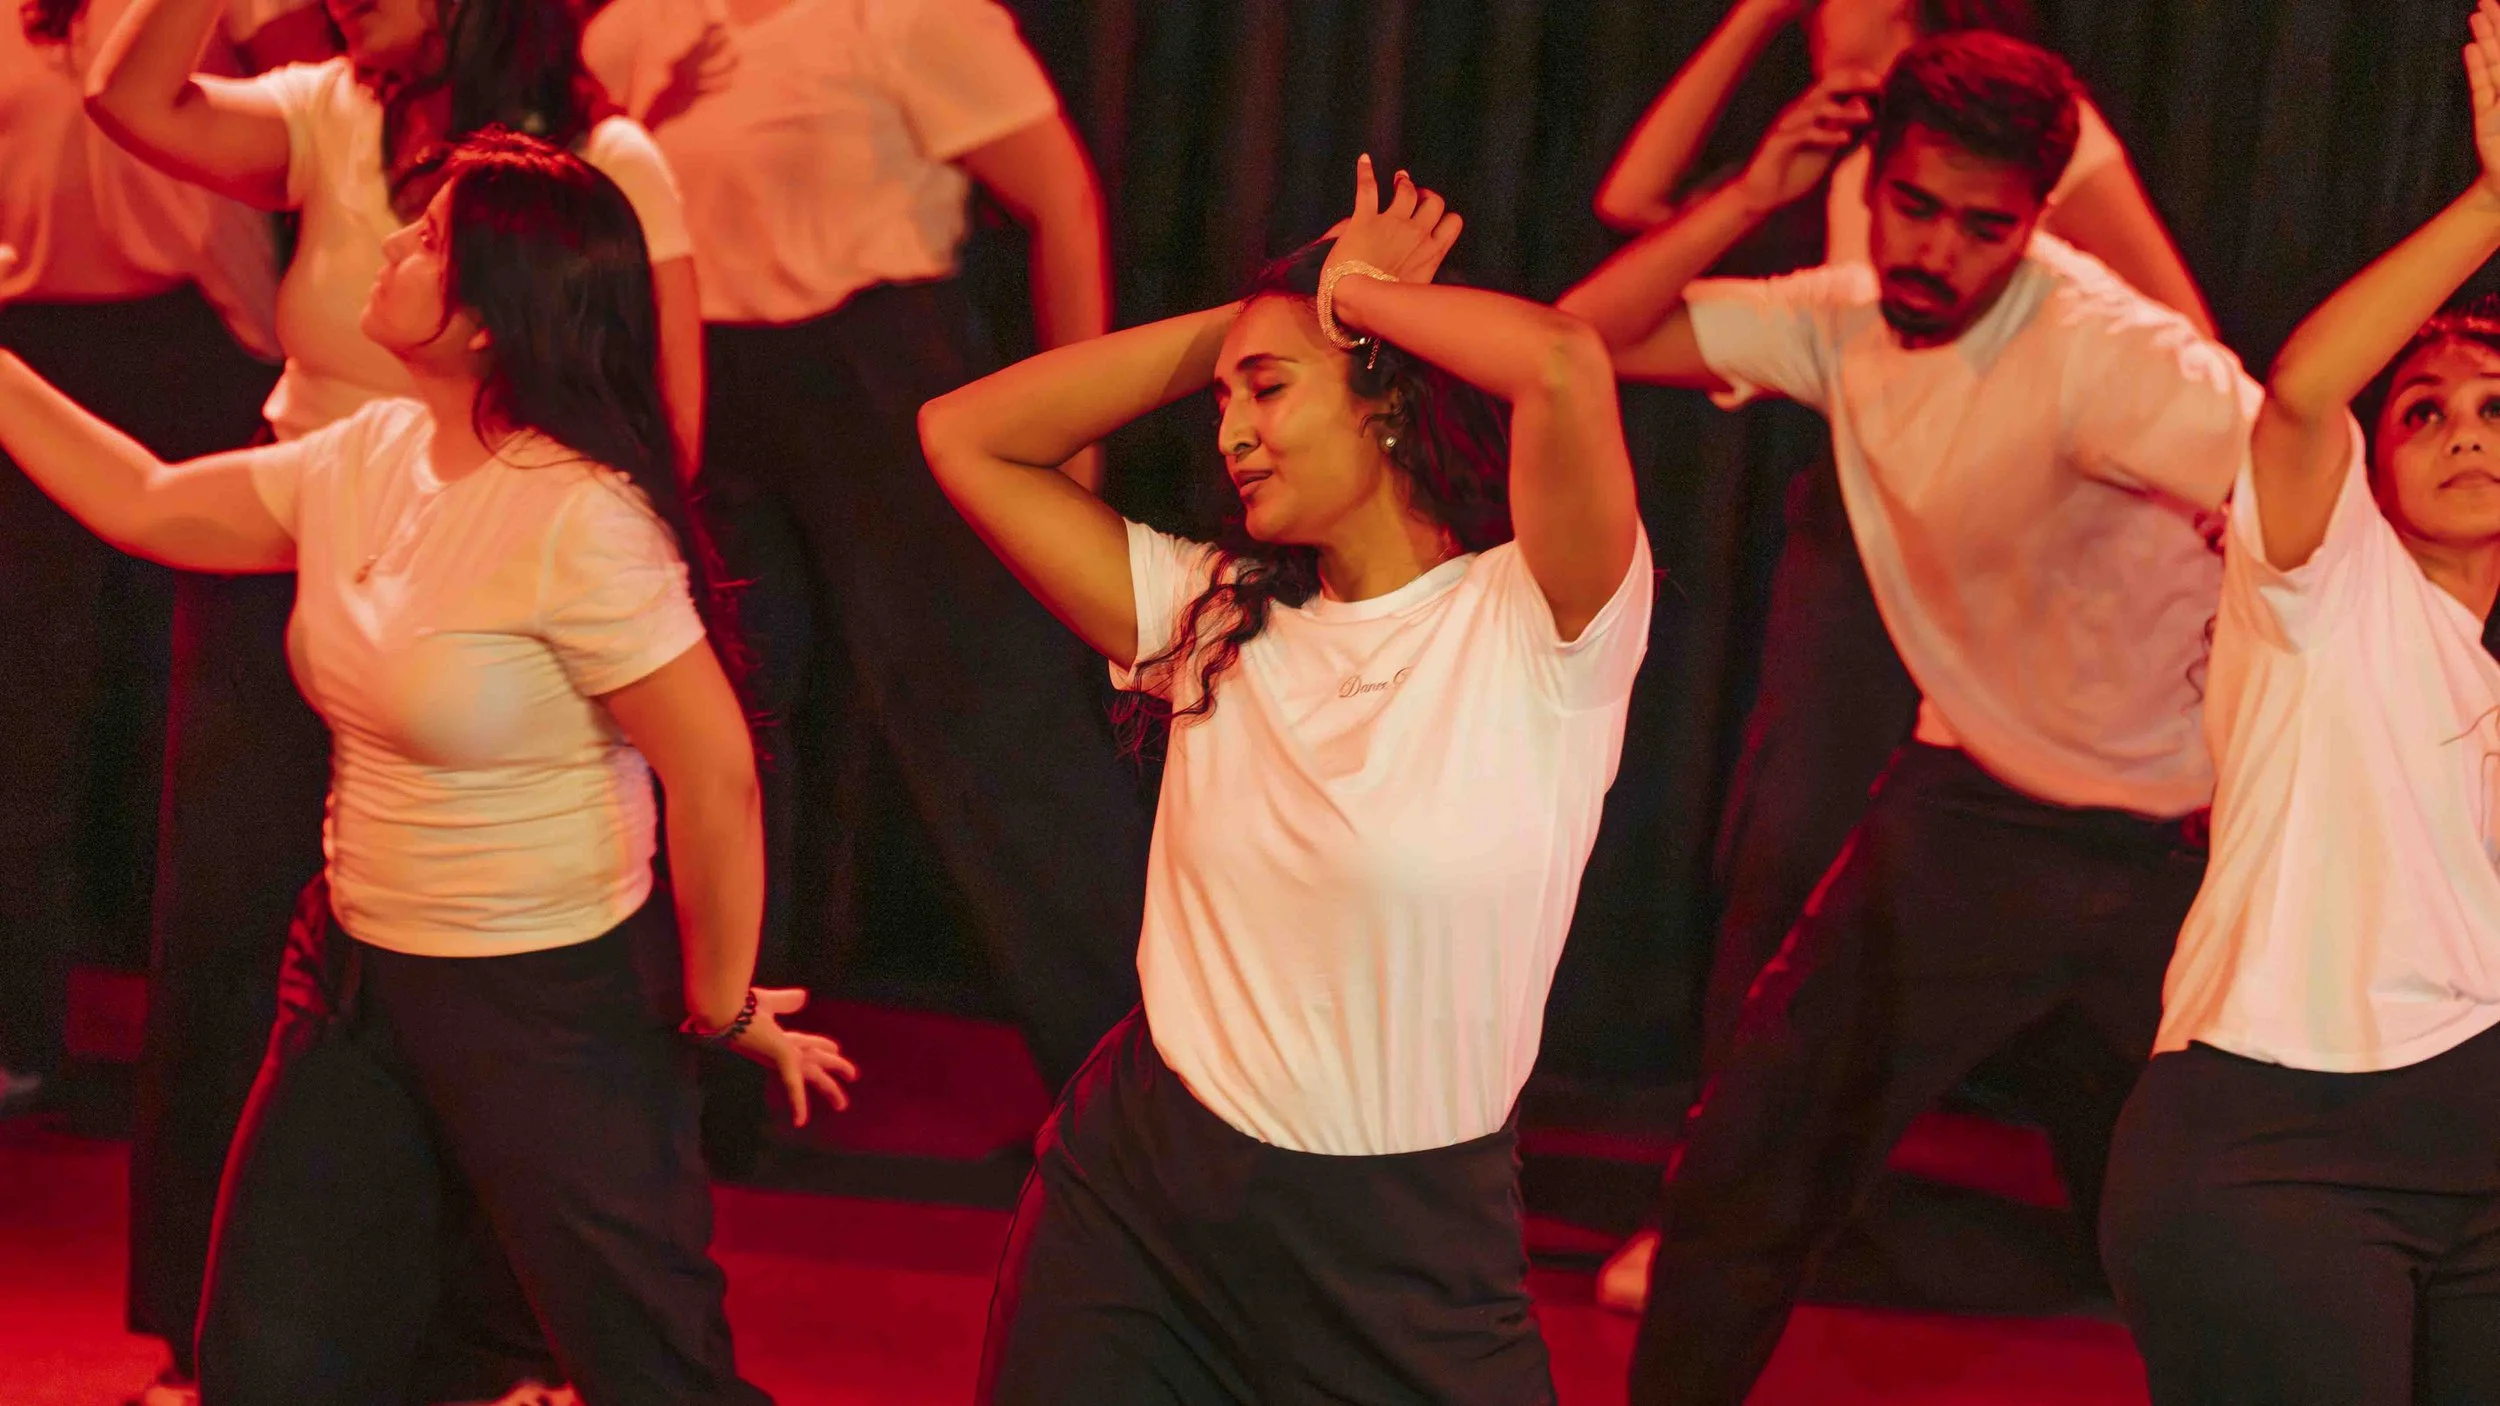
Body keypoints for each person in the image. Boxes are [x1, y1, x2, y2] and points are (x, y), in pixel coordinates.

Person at [0, 130, 852, 1406]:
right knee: (270, 1351)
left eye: (429, 238)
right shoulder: (372, 453)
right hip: (349, 969)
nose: (393, 240)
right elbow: (149, 501)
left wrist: (719, 997)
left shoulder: (582, 520)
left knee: (649, 1364)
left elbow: (716, 771)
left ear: (490, 322)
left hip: (546, 994)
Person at [1554, 31, 2252, 1404]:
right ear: (1868, 184)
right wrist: (1753, 192)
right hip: (1974, 818)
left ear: (2037, 222)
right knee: (1745, 1166)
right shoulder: (1839, 319)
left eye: (1983, 227)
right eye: (1913, 208)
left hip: (2186, 845)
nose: (1936, 251)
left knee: (2273, 1227)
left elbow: (2316, 499)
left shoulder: (2119, 358)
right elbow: (1579, 342)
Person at [921, 159, 1649, 1403]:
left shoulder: (1540, 620)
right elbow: (966, 435)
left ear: (1385, 403)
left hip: (1402, 1247)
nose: (1229, 432)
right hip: (1139, 1201)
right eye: (1219, 402)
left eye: (1267, 389)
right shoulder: (1212, 616)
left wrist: (1350, 294)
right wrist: (1256, 322)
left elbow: (1566, 366)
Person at [84, 0, 701, 1397]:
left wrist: (554, 587)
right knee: (250, 946)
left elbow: (661, 421)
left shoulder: (595, 163)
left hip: (502, 602)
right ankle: (224, 1339)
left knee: (483, 1004)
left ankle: (479, 1351)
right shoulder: (331, 111)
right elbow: (132, 102)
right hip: (294, 544)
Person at [579, 0, 1147, 1097]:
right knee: (720, 728)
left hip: (879, 371)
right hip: (705, 378)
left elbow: (1063, 198)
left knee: (996, 727)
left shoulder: (909, 16)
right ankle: (725, 1087)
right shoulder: (637, 26)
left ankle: (1140, 1106)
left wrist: (1078, 438)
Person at [2098, 7, 2500, 1402]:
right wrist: (2495, 205)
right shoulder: (2325, 590)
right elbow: (2308, 388)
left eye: (2498, 409)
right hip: (2277, 1143)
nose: (2462, 431)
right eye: (2427, 412)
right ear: (2374, 475)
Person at [0, 0, 311, 1120]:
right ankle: (16, 1030)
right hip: (37, 342)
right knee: (22, 706)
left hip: (202, 349)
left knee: (214, 712)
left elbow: (339, 99)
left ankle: (232, 1056)